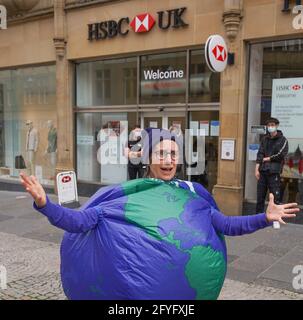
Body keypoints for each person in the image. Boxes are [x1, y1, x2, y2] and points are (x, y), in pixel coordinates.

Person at [19, 128, 299, 300]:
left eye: (173, 154)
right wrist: (46, 204)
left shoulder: (194, 195)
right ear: (149, 157)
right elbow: (79, 222)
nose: (168, 160)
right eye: (161, 154)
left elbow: (226, 224)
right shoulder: (125, 196)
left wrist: (264, 217)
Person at [255, 117, 289, 214]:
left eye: (272, 125)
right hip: (263, 171)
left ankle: (275, 219)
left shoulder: (283, 140)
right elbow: (260, 154)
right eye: (269, 125)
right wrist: (257, 169)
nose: (270, 127)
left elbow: (281, 154)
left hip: (274, 172)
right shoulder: (264, 139)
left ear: (277, 126)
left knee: (275, 197)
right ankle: (258, 219)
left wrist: (268, 158)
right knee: (260, 197)